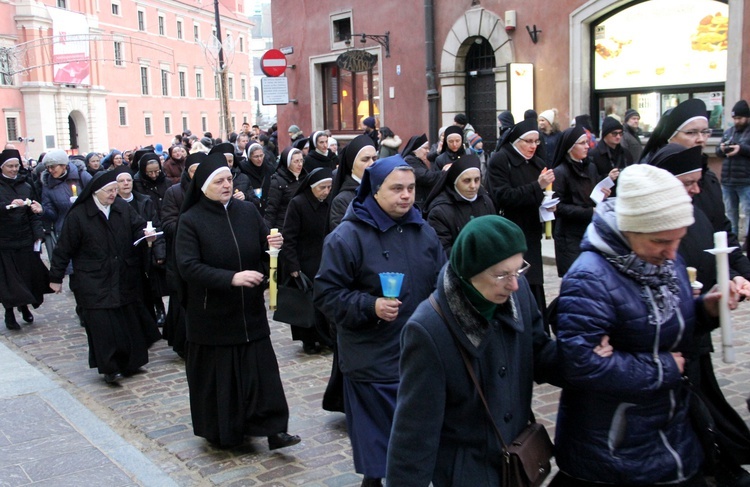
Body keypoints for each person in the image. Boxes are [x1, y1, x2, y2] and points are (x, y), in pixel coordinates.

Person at [551, 164, 732, 486]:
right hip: (615, 448)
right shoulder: (589, 278)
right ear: (631, 230)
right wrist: (662, 368)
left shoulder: (660, 255)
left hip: (670, 430)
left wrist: (706, 310)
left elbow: (664, 324)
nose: (673, 252)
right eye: (662, 241)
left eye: (679, 239)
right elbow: (579, 365)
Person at [386, 216, 576, 486]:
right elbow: (414, 433)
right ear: (469, 273)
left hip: (517, 465)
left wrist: (585, 359)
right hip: (467, 473)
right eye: (501, 274)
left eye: (518, 270)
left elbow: (539, 353)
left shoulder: (517, 295)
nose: (514, 284)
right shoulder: (428, 329)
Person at [314, 155, 446, 487]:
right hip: (374, 365)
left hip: (420, 360)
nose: (406, 195)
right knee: (382, 457)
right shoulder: (347, 237)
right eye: (397, 188)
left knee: (414, 452)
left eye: (411, 188)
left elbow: (444, 281)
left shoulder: (423, 230)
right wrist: (370, 306)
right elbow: (326, 295)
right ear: (374, 190)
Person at [175, 153, 300, 450]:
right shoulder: (190, 221)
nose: (226, 185)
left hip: (249, 311)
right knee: (222, 380)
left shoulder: (247, 211)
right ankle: (224, 432)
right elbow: (188, 266)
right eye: (218, 181)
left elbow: (260, 249)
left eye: (229, 179)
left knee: (263, 375)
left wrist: (272, 249)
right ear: (203, 187)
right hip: (213, 315)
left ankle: (274, 429)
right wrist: (231, 278)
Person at [652, 144, 750, 487]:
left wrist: (737, 275)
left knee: (702, 394)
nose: (697, 189)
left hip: (696, 322)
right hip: (672, 340)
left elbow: (725, 239)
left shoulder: (698, 205)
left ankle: (719, 458)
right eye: (688, 183)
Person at [49, 171, 161, 384]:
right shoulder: (79, 215)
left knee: (127, 322)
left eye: (115, 191)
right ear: (96, 192)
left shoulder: (121, 208)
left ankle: (131, 362)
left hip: (123, 275)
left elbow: (137, 226)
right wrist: (56, 277)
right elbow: (63, 249)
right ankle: (110, 368)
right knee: (104, 327)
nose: (113, 194)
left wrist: (147, 234)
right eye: (110, 191)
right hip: (94, 278)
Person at [484, 118, 553, 322]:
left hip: (531, 232)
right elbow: (503, 196)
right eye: (528, 141)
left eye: (536, 142)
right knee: (515, 283)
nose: (533, 146)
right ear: (516, 141)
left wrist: (549, 203)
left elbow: (541, 194)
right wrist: (537, 187)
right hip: (510, 232)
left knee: (534, 284)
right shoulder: (500, 159)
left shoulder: (537, 163)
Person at [281, 167, 333, 354]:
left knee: (324, 304)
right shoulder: (298, 203)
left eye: (329, 187)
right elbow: (289, 237)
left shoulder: (329, 203)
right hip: (304, 261)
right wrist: (293, 266)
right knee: (307, 304)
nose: (326, 192)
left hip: (324, 260)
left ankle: (326, 338)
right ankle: (309, 340)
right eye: (323, 188)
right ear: (312, 187)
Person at [552, 125, 613, 277]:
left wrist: (602, 195)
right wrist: (588, 212)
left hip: (589, 230)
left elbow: (591, 195)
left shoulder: (591, 167)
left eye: (587, 142)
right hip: (568, 235)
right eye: (582, 143)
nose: (587, 146)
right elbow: (558, 206)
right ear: (570, 147)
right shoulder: (560, 172)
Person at [0, 149, 50, 330]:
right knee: (9, 281)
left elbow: (33, 212)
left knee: (26, 277)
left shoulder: (26, 185)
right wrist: (7, 207)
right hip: (4, 241)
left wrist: (38, 234)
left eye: (16, 166)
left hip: (25, 239)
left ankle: (25, 306)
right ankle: (9, 313)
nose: (14, 169)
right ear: (2, 167)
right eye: (10, 166)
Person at [160, 152, 203, 358]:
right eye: (194, 171)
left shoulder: (210, 191)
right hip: (181, 253)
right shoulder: (174, 193)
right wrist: (193, 228)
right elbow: (168, 223)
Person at [116, 169, 167, 326]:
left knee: (151, 285)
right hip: (124, 251)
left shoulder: (144, 201)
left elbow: (156, 225)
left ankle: (157, 311)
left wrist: (159, 252)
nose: (126, 183)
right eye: (122, 181)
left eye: (129, 180)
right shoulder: (113, 204)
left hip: (146, 248)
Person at [424, 154, 495, 255]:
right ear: (455, 182)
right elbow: (443, 251)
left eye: (477, 180)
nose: (473, 186)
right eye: (467, 181)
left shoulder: (486, 201)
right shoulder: (439, 211)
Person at [41, 149, 93, 239]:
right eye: (48, 167)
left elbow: (96, 195)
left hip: (87, 227)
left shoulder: (82, 176)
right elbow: (53, 214)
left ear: (64, 165)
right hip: (64, 231)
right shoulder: (48, 185)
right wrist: (42, 210)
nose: (50, 170)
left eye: (53, 167)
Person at [329, 135, 377, 230]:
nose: (372, 164)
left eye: (374, 159)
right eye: (365, 159)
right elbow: (342, 239)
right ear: (352, 164)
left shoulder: (381, 190)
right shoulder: (341, 201)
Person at [717, 100, 750, 237]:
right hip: (728, 181)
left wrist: (740, 149)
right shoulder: (729, 132)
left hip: (746, 181)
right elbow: (718, 152)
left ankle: (748, 242)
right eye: (735, 118)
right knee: (730, 213)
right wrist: (722, 149)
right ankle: (733, 240)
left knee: (748, 212)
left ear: (747, 117)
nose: (737, 121)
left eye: (740, 118)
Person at [265, 147, 306, 232]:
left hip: (302, 226)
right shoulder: (278, 182)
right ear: (287, 162)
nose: (300, 164)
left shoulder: (305, 178)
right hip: (284, 227)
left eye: (301, 160)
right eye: (296, 161)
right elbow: (271, 209)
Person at [589, 116, 633, 197]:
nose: (618, 136)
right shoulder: (593, 154)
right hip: (603, 198)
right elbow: (590, 180)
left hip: (623, 195)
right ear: (605, 134)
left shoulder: (626, 153)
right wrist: (607, 178)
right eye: (614, 133)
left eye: (620, 133)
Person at [400, 134, 441, 210]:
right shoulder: (410, 160)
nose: (428, 151)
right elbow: (425, 177)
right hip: (418, 205)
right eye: (425, 148)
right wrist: (444, 173)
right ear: (416, 149)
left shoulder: (417, 160)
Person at [133, 151, 173, 220]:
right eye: (150, 172)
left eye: (157, 171)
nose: (154, 175)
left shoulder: (167, 182)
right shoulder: (137, 184)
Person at [240, 142, 275, 215]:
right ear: (249, 157)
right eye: (256, 156)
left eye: (261, 155)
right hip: (251, 209)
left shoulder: (269, 168)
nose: (259, 159)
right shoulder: (243, 169)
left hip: (267, 208)